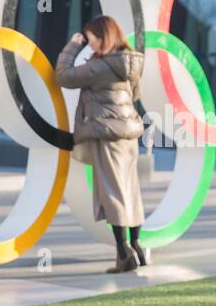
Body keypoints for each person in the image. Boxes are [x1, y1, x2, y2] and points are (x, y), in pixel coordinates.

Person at [55, 14, 147, 273]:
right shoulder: (130, 62)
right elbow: (135, 94)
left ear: (103, 37)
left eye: (92, 38)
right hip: (128, 134)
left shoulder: (102, 66)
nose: (90, 44)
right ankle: (137, 245)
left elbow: (64, 76)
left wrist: (73, 45)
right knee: (130, 190)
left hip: (107, 135)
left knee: (113, 194)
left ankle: (123, 254)